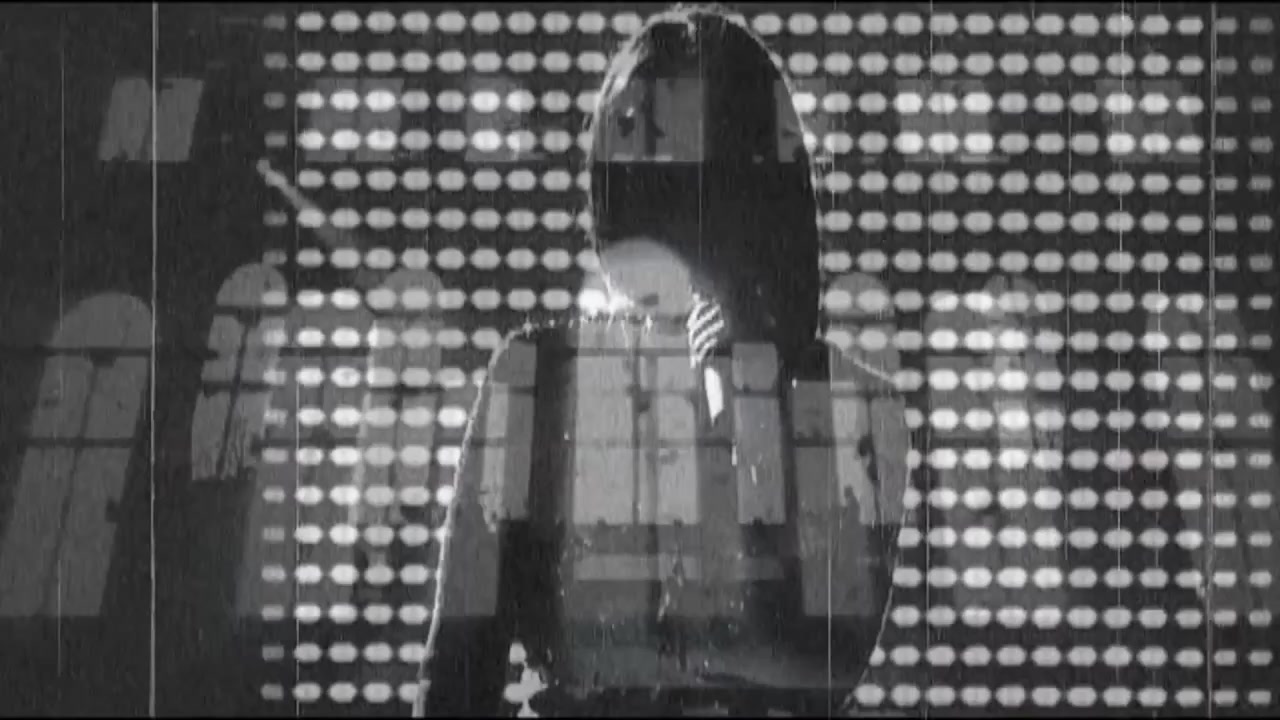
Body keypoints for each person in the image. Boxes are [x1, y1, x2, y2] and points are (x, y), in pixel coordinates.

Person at [414, 5, 911, 716]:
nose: (635, 185)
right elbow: (457, 673)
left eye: (669, 160)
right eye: (624, 148)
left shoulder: (854, 408)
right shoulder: (533, 381)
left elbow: (822, 660)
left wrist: (736, 403)